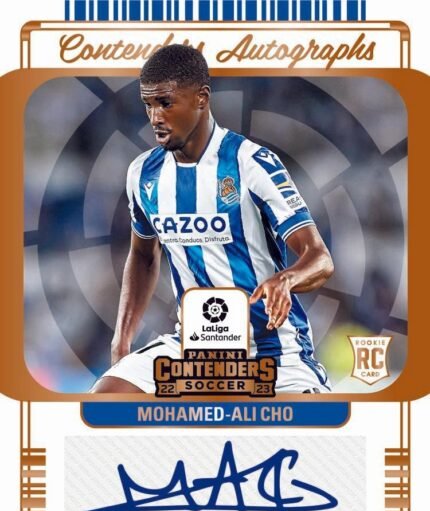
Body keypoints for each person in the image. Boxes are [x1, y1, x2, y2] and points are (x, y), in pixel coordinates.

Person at [91, 44, 334, 394]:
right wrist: (122, 337)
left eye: (165, 103)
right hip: (192, 349)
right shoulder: (143, 173)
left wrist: (286, 279)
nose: (155, 117)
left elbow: (320, 258)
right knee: (105, 401)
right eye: (148, 104)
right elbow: (143, 256)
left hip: (271, 351)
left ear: (201, 98)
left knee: (306, 426)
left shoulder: (251, 163)